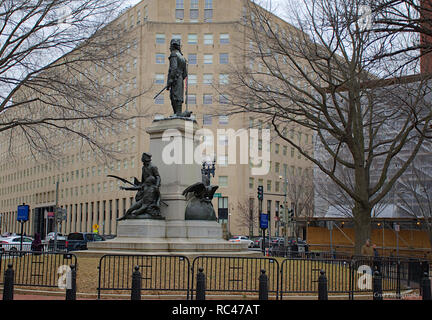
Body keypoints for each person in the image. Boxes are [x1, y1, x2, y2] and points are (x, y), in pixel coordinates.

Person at [166, 38, 189, 116]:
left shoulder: (173, 54)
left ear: (172, 46)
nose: (170, 48)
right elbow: (185, 74)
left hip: (175, 79)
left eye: (170, 46)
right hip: (180, 79)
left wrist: (170, 80)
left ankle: (177, 113)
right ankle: (178, 113)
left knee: (174, 96)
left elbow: (173, 68)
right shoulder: (182, 58)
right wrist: (179, 77)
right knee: (179, 95)